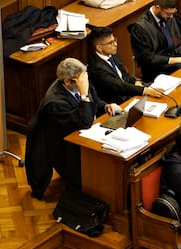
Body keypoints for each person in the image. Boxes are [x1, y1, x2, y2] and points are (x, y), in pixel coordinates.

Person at [26, 58, 122, 194]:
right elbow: (84, 122)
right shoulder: (55, 102)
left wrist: (106, 106)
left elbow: (94, 100)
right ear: (67, 82)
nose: (86, 82)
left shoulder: (81, 80)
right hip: (67, 146)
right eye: (82, 80)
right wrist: (83, 94)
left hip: (87, 132)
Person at [87, 26, 162, 104]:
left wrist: (136, 82)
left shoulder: (113, 55)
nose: (116, 44)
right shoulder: (96, 68)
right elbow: (118, 86)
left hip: (129, 93)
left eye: (115, 40)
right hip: (117, 103)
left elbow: (125, 76)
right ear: (99, 47)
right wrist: (145, 90)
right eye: (110, 43)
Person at [127, 0, 181, 83]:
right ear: (157, 8)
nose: (171, 17)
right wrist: (171, 60)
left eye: (173, 13)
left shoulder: (173, 16)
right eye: (168, 14)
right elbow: (146, 57)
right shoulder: (140, 28)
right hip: (156, 69)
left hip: (179, 59)